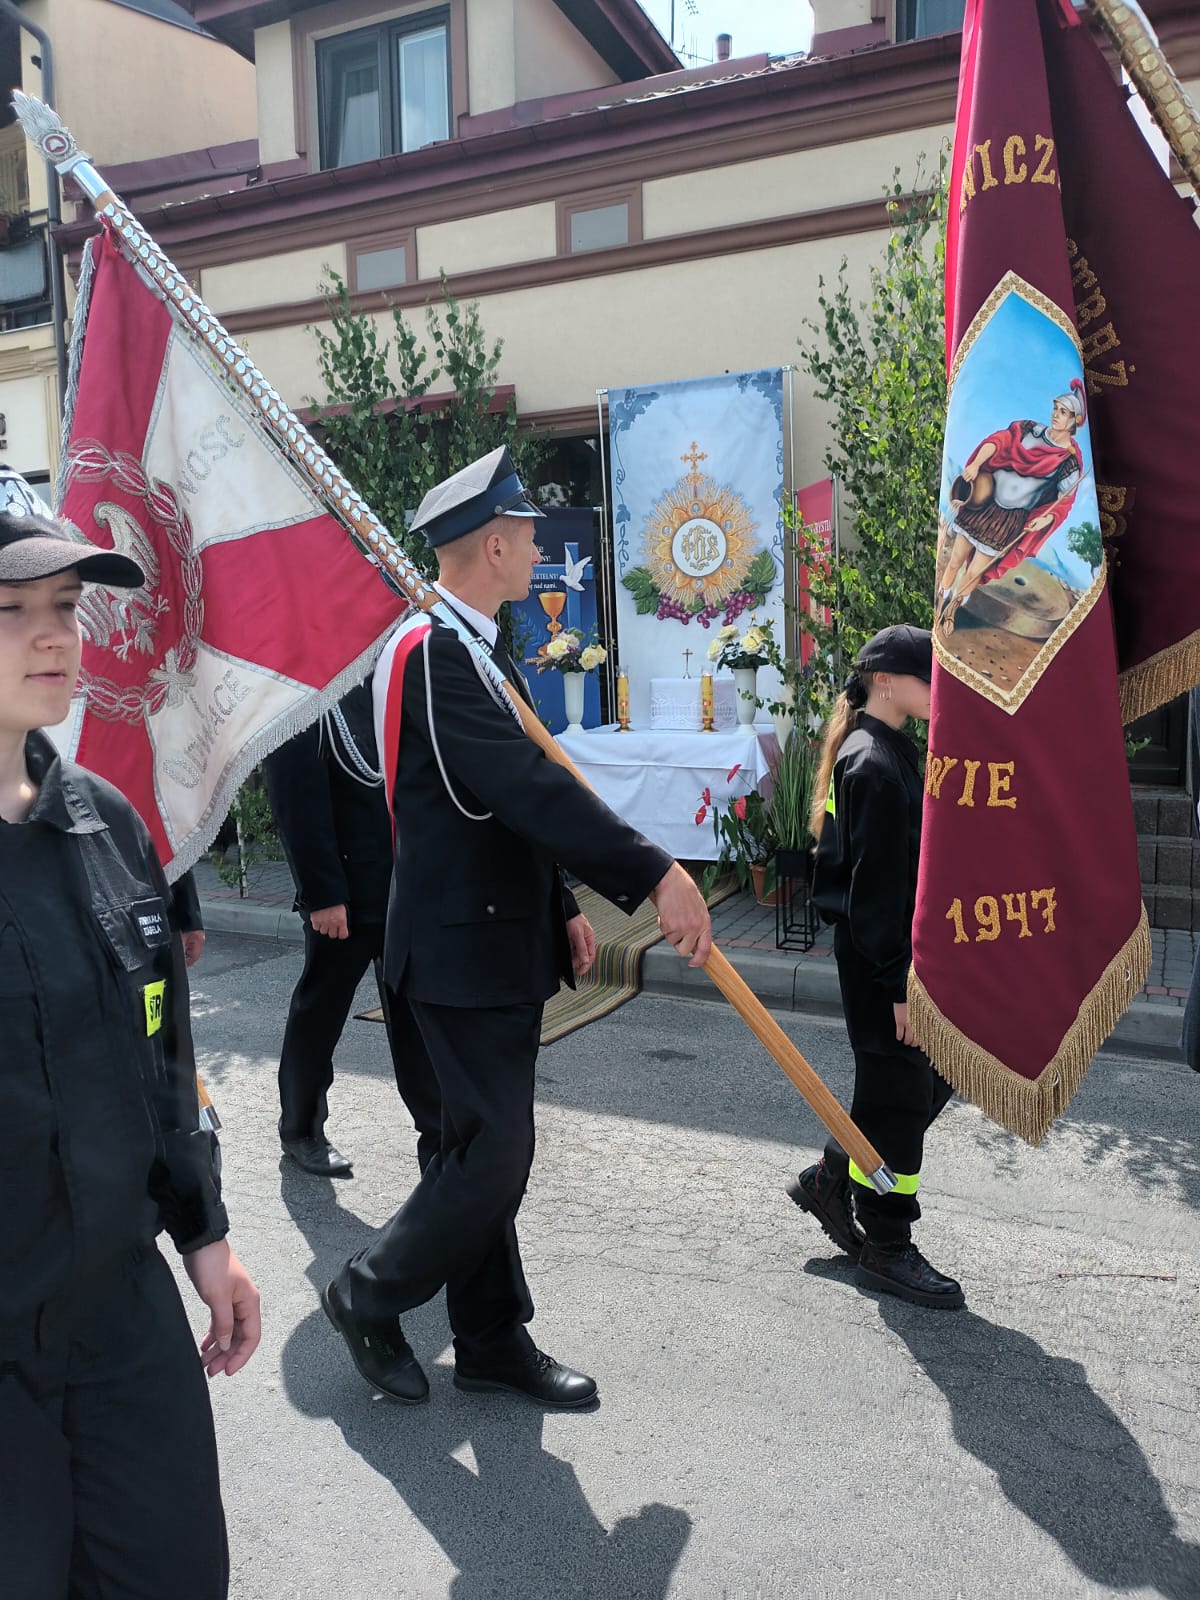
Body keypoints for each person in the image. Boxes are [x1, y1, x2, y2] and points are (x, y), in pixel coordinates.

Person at [322, 445, 712, 1407]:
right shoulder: (437, 655)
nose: (540, 548)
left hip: (484, 938)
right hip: (456, 952)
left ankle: (491, 1338)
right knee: (494, 1156)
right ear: (494, 546)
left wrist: (559, 906)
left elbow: (495, 811)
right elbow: (527, 786)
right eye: (530, 535)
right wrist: (655, 872)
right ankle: (366, 1292)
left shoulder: (472, 646)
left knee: (471, 1152)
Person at [0, 509, 260, 1598]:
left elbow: (164, 1059)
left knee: (175, 1571)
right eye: (11, 611)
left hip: (119, 1317)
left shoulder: (106, 824)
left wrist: (204, 1233)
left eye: (64, 607)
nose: (51, 635)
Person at [788, 624, 963, 1310]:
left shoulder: (883, 748)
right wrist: (899, 987)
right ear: (885, 681)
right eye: (928, 678)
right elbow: (876, 894)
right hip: (882, 960)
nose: (938, 690)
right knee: (899, 1096)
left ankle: (834, 1174)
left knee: (925, 1080)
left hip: (889, 953)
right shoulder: (874, 763)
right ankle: (888, 1245)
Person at [262, 680, 439, 1177]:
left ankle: (439, 1130)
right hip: (344, 894)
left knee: (416, 1016)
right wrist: (322, 894)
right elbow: (295, 799)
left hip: (404, 886)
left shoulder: (384, 681)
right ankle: (301, 1129)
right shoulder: (304, 696)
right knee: (320, 1013)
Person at [937, 380, 1086, 634]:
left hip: (1007, 522)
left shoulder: (1068, 462)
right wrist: (976, 465)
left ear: (1075, 420)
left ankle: (951, 612)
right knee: (954, 562)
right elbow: (999, 441)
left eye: (1063, 412)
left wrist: (1046, 519)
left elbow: (1064, 501)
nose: (1055, 414)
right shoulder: (1029, 430)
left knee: (973, 573)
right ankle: (940, 606)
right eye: (1055, 408)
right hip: (983, 506)